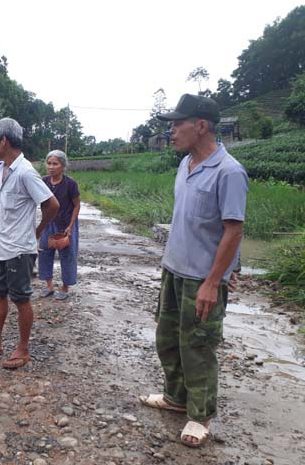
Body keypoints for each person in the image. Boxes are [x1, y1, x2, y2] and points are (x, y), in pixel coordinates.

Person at [139, 94, 249, 448]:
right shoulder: (185, 164)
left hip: (203, 278)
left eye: (177, 124)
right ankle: (176, 397)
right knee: (167, 339)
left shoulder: (229, 172)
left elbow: (233, 230)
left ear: (200, 126)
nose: (171, 131)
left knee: (198, 347)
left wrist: (214, 281)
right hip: (173, 270)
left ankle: (200, 416)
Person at [0, 118, 59, 369]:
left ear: (4, 141)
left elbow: (51, 205)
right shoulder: (2, 169)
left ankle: (23, 349)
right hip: (2, 244)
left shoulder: (26, 171)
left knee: (21, 299)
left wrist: (38, 231)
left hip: (20, 249)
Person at [38, 150, 81, 300]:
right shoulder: (43, 182)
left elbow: (76, 205)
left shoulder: (70, 184)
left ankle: (65, 287)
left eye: (55, 164)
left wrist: (71, 225)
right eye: (49, 163)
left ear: (63, 166)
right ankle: (49, 286)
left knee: (67, 255)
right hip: (48, 223)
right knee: (44, 252)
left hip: (66, 225)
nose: (51, 167)